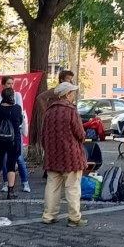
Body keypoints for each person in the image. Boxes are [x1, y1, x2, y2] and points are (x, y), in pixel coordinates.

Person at [40, 82, 88, 226]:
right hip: (70, 156)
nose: (74, 96)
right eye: (73, 93)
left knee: (52, 186)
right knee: (72, 187)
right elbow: (80, 134)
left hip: (53, 156)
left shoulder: (49, 111)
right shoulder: (71, 111)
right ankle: (74, 218)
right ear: (67, 94)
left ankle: (49, 215)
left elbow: (43, 135)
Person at [0, 76, 32, 193]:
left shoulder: (17, 95)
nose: (11, 86)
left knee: (19, 159)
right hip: (3, 132)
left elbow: (18, 112)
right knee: (5, 160)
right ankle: (6, 183)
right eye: (8, 83)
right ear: (3, 85)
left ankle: (25, 183)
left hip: (15, 131)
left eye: (12, 83)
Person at [0, 85, 25, 197]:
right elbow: (20, 122)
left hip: (0, 139)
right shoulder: (17, 108)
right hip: (14, 140)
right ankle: (10, 191)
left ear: (2, 96)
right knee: (11, 165)